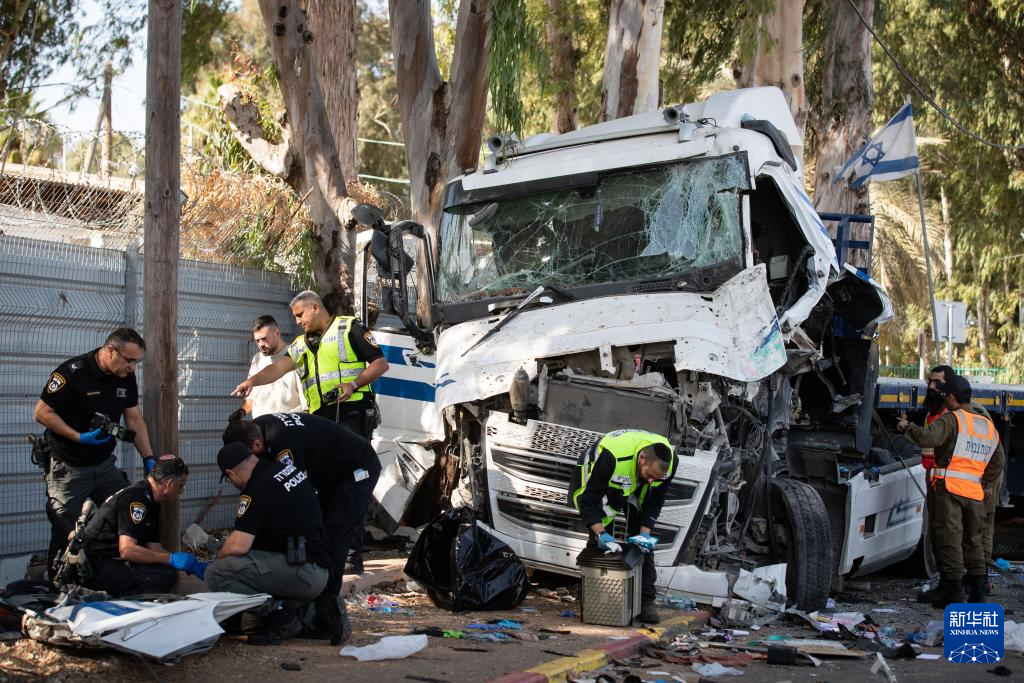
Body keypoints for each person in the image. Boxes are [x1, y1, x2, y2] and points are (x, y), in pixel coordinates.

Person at [232, 290, 389, 574]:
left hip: (350, 415)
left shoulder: (349, 328)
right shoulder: (301, 344)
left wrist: (353, 384)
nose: (298, 321)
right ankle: (326, 554)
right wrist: (252, 382)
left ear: (315, 307)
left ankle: (351, 556)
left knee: (350, 483)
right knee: (324, 487)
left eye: (300, 315)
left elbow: (380, 363)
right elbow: (277, 369)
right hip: (319, 423)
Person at [222, 409, 381, 644]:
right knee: (317, 534)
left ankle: (328, 617)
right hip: (331, 473)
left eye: (247, 457)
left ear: (256, 444)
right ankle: (306, 609)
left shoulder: (283, 443)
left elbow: (294, 492)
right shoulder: (258, 429)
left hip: (356, 470)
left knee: (334, 537)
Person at [33, 327, 156, 576]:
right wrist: (78, 437)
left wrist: (149, 457)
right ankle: (57, 587)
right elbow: (42, 413)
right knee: (66, 531)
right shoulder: (72, 373)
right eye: (129, 360)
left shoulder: (125, 376)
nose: (133, 367)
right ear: (110, 350)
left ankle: (121, 578)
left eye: (137, 362)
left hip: (104, 465)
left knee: (130, 512)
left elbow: (134, 418)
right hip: (69, 467)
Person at [206, 442, 331, 646]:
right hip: (319, 569)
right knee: (253, 617)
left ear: (231, 473)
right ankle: (307, 612)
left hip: (302, 574)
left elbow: (239, 545)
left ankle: (282, 616)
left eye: (229, 479)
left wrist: (216, 558)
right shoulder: (286, 470)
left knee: (217, 572)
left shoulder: (257, 488)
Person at [898, 375, 1004, 605]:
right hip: (974, 493)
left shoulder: (952, 419)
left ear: (952, 397)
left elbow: (929, 438)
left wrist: (907, 427)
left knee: (949, 539)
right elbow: (998, 461)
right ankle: (978, 592)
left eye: (946, 395)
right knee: (974, 541)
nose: (944, 399)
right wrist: (984, 483)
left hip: (950, 490)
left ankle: (953, 590)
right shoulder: (987, 426)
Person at [568, 429, 678, 624]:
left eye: (656, 478)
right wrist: (600, 533)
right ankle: (597, 598)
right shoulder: (611, 457)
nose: (651, 481)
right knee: (601, 543)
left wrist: (644, 535)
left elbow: (655, 501)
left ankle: (646, 601)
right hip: (604, 477)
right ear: (642, 459)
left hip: (630, 477)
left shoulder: (669, 465)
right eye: (650, 475)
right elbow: (589, 501)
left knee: (643, 546)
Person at [78, 454, 204, 596]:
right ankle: (119, 603)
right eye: (181, 486)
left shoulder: (150, 499)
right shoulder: (136, 499)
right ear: (169, 483)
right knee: (162, 576)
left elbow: (154, 548)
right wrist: (170, 559)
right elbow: (127, 550)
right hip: (93, 566)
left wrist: (188, 564)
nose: (181, 491)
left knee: (165, 570)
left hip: (106, 561)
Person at [242, 315, 306, 418]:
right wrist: (241, 412)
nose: (261, 344)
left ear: (277, 333)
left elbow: (306, 401)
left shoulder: (295, 354)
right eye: (257, 340)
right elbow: (251, 397)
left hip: (288, 423)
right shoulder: (257, 359)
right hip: (261, 424)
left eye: (264, 338)